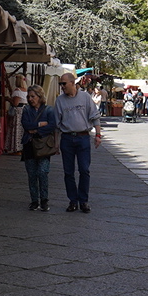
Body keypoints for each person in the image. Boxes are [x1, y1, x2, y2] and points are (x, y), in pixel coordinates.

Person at [55, 73, 101, 212]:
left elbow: (95, 116)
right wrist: (56, 143)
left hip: (83, 137)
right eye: (60, 84)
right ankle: (73, 201)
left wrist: (98, 135)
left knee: (84, 170)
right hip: (67, 138)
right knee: (68, 172)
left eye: (64, 84)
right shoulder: (60, 100)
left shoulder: (85, 97)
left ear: (72, 83)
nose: (62, 87)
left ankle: (83, 201)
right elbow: (57, 124)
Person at [19, 85, 57, 211]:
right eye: (29, 96)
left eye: (33, 96)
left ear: (40, 96)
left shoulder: (49, 110)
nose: (30, 99)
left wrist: (36, 130)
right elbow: (26, 124)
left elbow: (52, 125)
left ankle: (44, 200)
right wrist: (40, 124)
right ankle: (34, 200)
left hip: (43, 145)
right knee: (32, 174)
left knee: (42, 172)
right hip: (29, 144)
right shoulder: (26, 110)